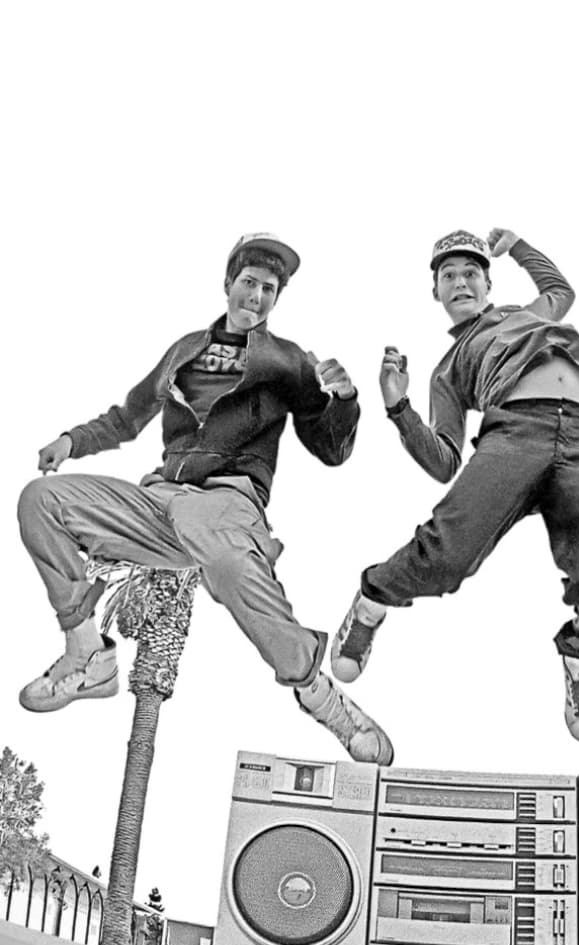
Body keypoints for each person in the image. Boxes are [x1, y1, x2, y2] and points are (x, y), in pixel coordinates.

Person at [17, 233, 393, 764]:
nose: (256, 296)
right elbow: (128, 416)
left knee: (227, 564)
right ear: (227, 285)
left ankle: (318, 693)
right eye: (249, 283)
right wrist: (71, 441)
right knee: (41, 500)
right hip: (159, 500)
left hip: (227, 499)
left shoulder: (288, 361)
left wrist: (346, 399)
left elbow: (331, 447)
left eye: (268, 289)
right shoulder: (185, 349)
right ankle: (87, 655)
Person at [330, 228, 579, 737]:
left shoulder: (529, 314)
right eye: (448, 276)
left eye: (471, 273)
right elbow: (444, 461)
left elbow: (560, 289)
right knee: (448, 554)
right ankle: (372, 600)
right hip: (515, 433)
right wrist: (398, 407)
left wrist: (517, 246)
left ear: (488, 283)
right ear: (435, 292)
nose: (460, 282)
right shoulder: (448, 370)